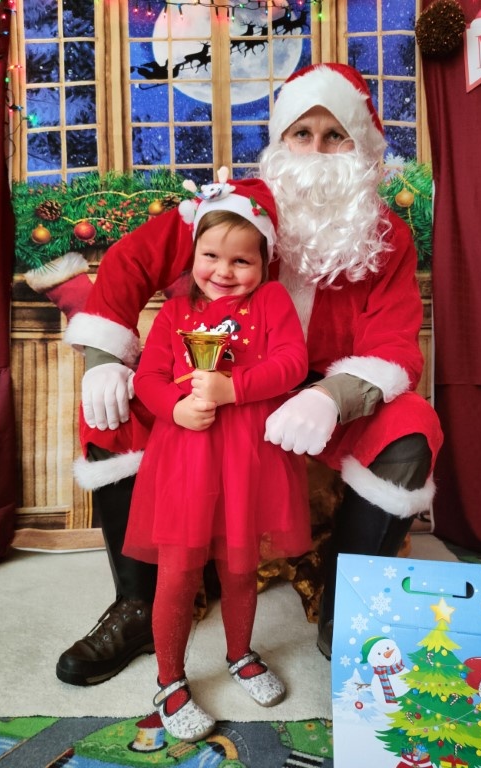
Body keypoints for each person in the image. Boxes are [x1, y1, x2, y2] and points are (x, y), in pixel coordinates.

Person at [59, 62, 443, 686]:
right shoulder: (232, 207)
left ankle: (348, 605)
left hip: (318, 402)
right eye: (301, 134)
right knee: (109, 407)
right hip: (218, 391)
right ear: (279, 140)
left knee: (412, 425)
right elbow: (130, 262)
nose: (316, 152)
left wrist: (332, 396)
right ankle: (138, 603)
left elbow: (394, 342)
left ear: (362, 147)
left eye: (335, 136)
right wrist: (104, 359)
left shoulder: (386, 236)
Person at [121, 177, 310, 741]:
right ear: (194, 253)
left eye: (241, 260)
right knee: (178, 572)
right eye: (211, 256)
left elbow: (293, 363)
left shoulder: (271, 301)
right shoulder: (175, 312)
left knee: (240, 566)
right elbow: (149, 379)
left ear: (264, 263)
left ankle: (239, 653)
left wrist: (235, 388)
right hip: (186, 460)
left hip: (249, 460)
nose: (224, 271)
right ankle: (169, 680)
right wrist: (175, 409)